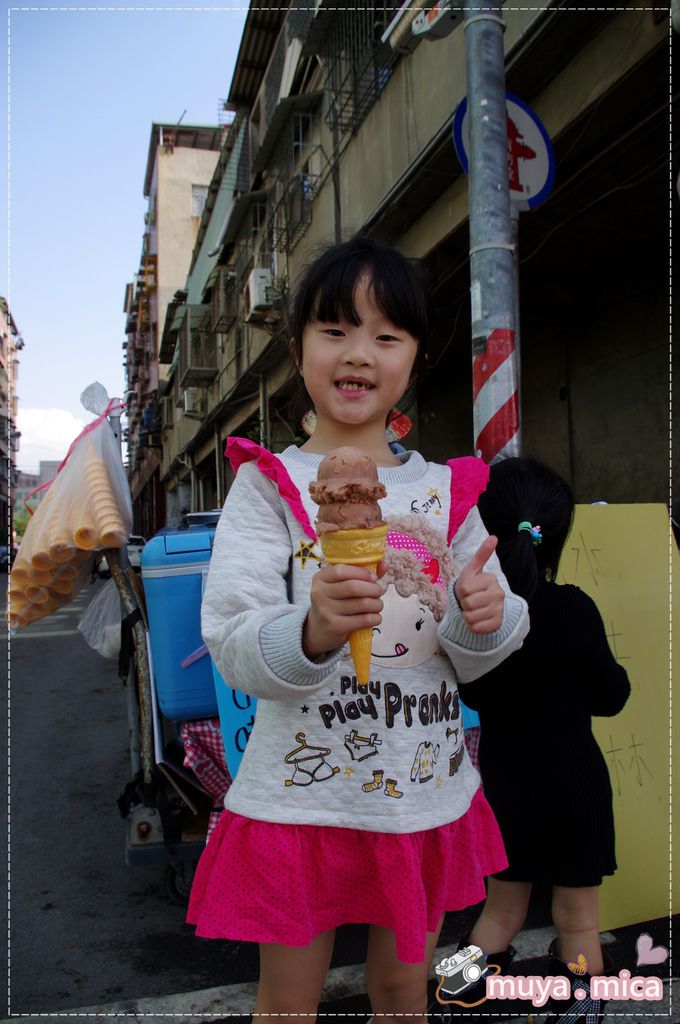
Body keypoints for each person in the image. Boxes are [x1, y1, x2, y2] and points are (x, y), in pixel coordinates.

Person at [187, 236, 529, 1024]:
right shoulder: (268, 485)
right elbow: (232, 636)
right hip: (300, 801)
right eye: (335, 329)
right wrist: (308, 632)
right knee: (288, 1001)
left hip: (420, 795)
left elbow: (488, 642)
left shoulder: (447, 492)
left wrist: (485, 618)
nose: (359, 353)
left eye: (387, 335)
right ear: (299, 348)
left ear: (414, 358)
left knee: (406, 991)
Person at [460, 456, 631, 1023]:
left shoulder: (478, 620)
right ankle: (582, 1010)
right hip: (578, 786)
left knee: (500, 914)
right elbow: (612, 696)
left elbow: (477, 698)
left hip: (507, 785)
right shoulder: (575, 608)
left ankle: (453, 997)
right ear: (557, 535)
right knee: (579, 921)